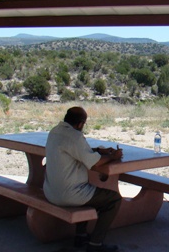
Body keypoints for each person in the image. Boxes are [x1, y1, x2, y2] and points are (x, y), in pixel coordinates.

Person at [43, 106, 123, 252]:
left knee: (88, 190)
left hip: (50, 192)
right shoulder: (75, 136)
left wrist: (99, 150)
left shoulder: (54, 132)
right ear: (80, 124)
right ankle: (95, 245)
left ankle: (81, 235)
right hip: (67, 194)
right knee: (114, 199)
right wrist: (113, 157)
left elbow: (77, 151)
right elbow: (94, 163)